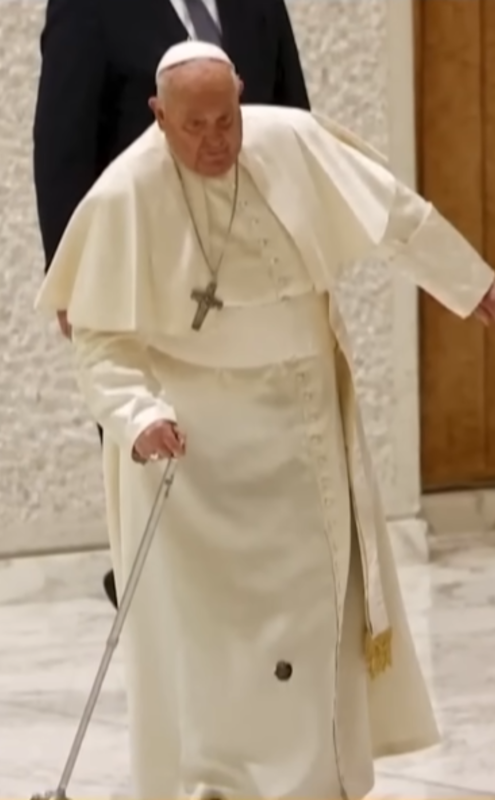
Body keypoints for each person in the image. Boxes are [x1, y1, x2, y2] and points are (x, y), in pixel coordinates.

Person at [35, 41, 495, 800]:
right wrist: (139, 417)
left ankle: (314, 784)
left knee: (308, 624)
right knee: (213, 649)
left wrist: (473, 282)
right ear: (158, 116)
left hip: (300, 433)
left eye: (226, 119)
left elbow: (394, 215)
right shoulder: (124, 195)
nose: (215, 141)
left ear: (240, 100)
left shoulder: (290, 141)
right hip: (194, 457)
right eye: (193, 126)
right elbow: (101, 343)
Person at [32, 0, 311, 608]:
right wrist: (71, 269)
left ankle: (256, 581)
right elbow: (63, 137)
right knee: (155, 426)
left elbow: (293, 116)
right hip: (145, 265)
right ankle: (151, 579)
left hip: (248, 262)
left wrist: (304, 239)